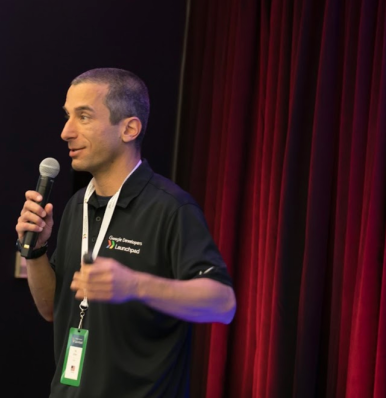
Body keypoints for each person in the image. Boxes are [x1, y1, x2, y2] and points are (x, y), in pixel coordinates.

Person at [15, 68, 236, 398]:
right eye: (67, 116)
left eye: (83, 117)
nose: (66, 132)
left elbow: (223, 304)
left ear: (129, 129)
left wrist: (135, 285)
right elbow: (52, 308)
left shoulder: (171, 208)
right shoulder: (78, 205)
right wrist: (35, 251)